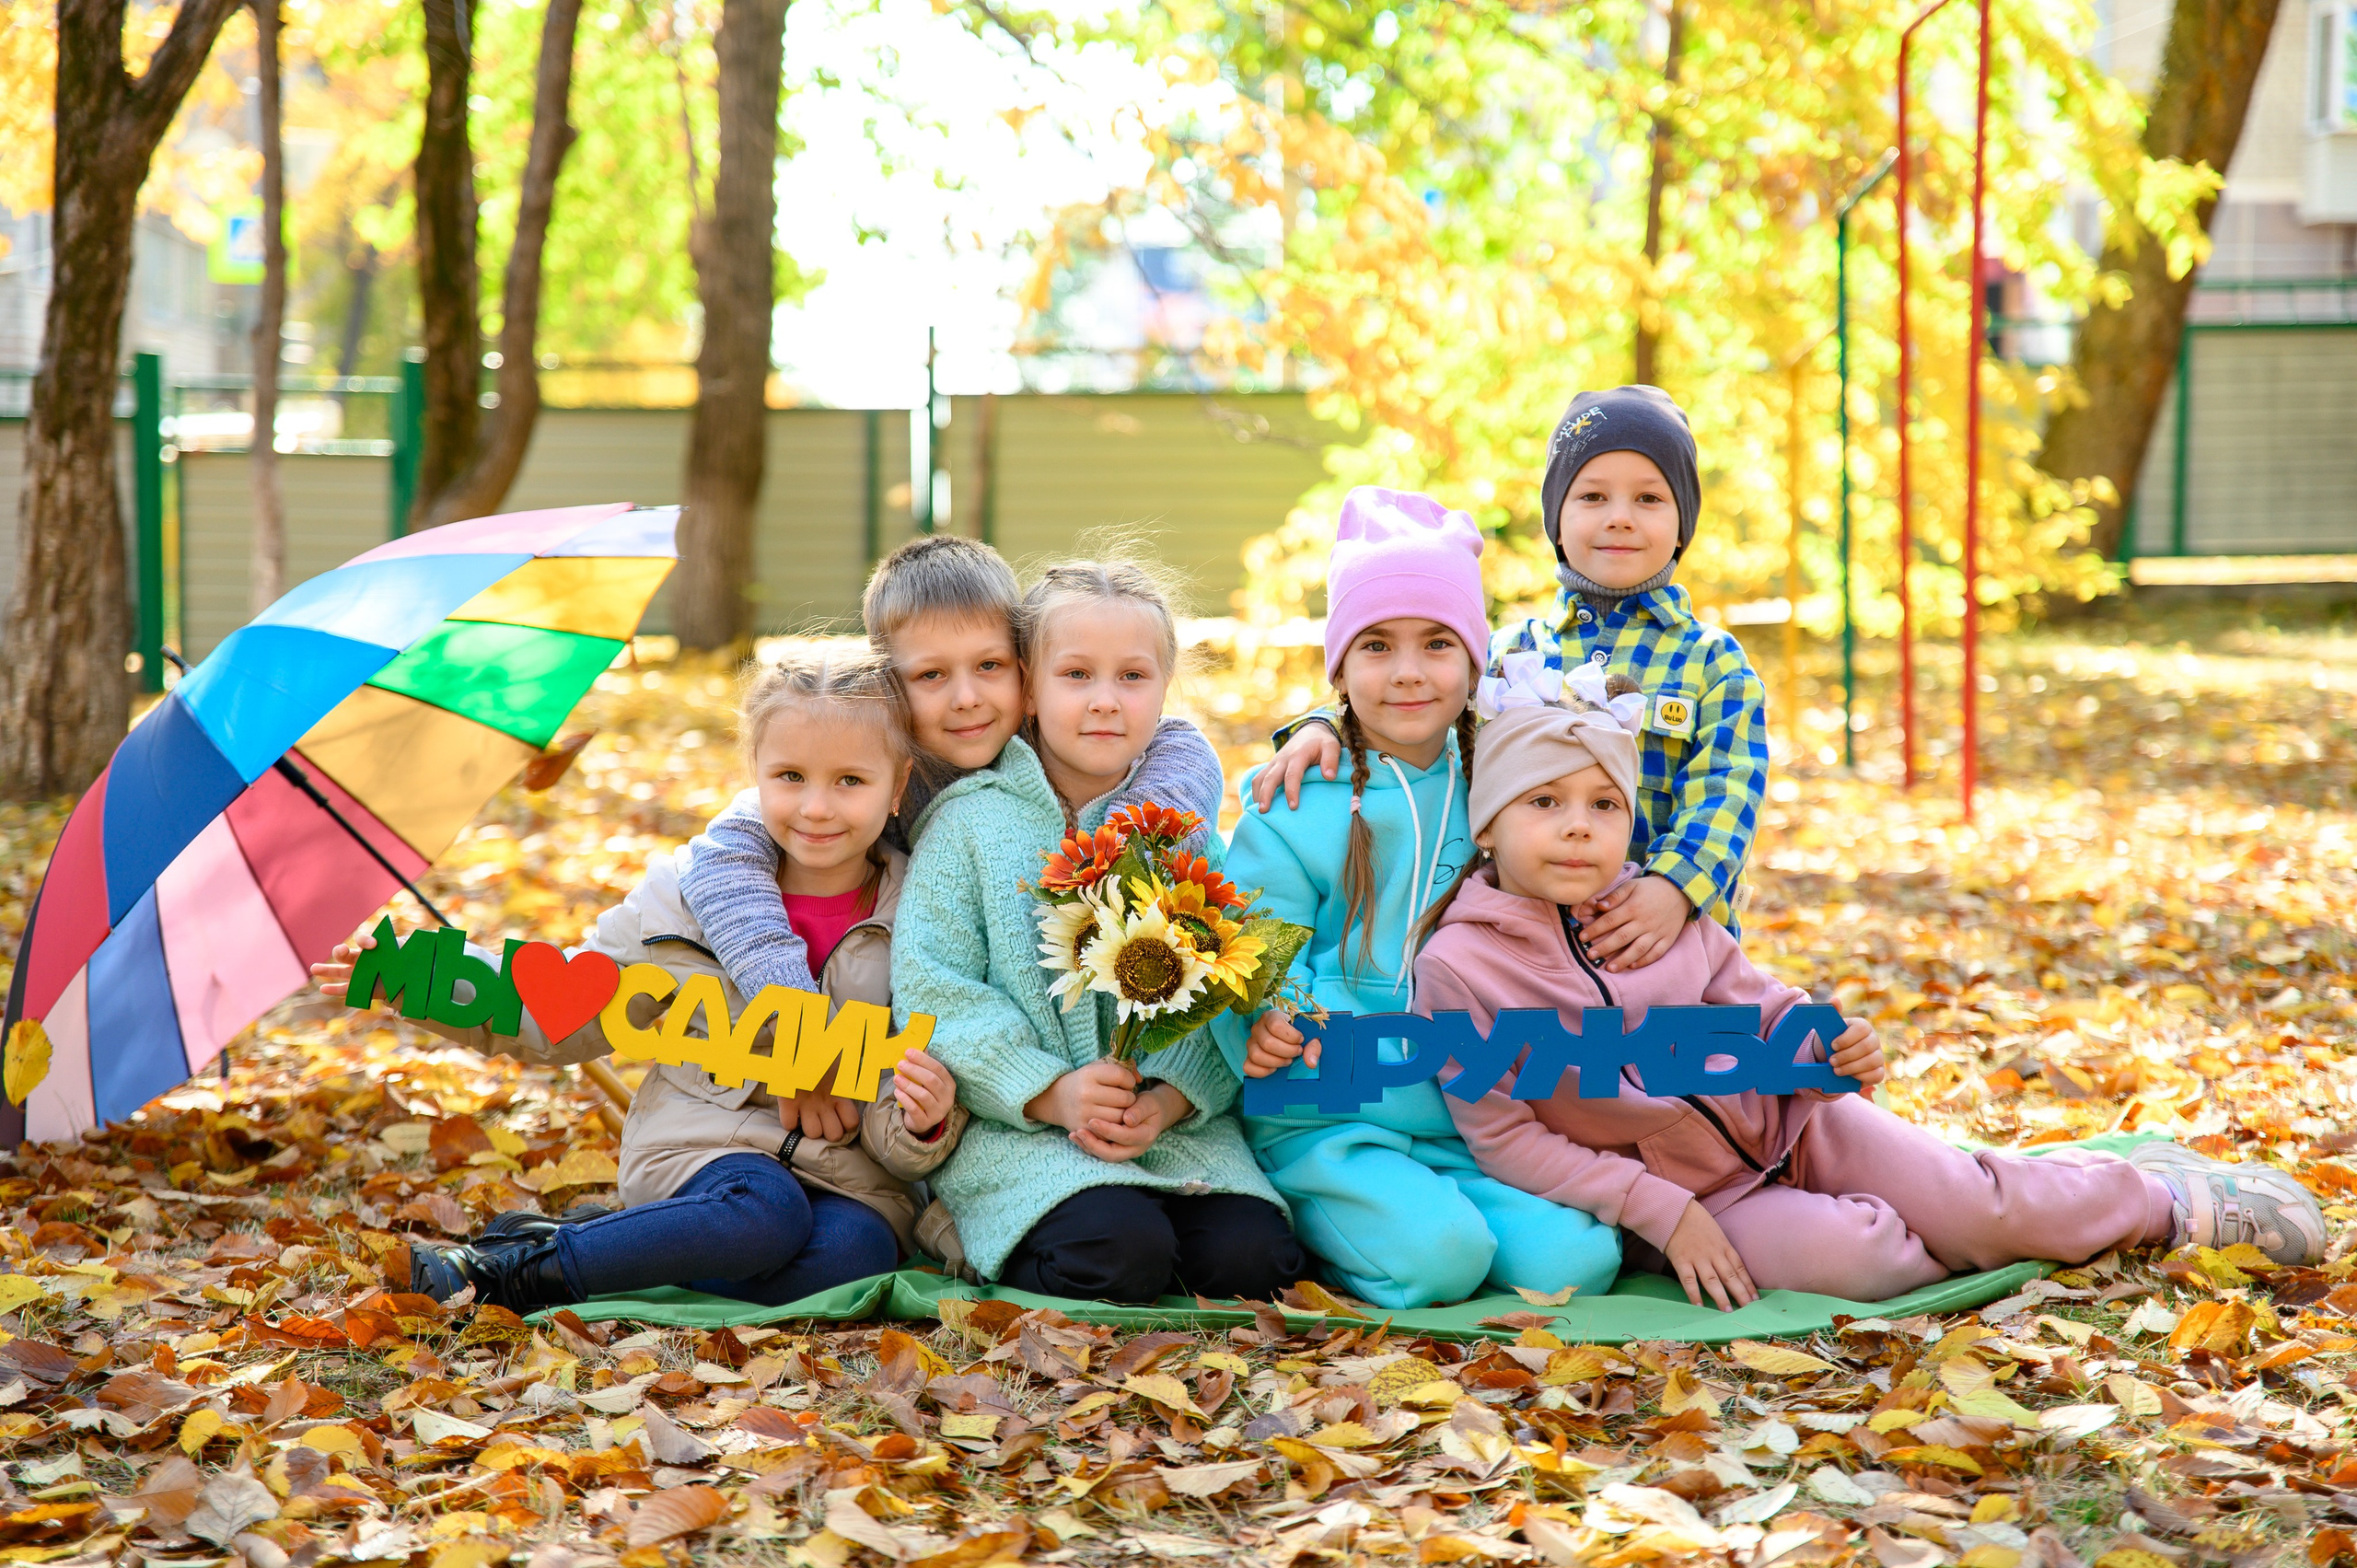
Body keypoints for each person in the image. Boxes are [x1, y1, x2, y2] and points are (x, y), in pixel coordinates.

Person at [1412, 680, 2327, 1309]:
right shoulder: (1461, 967)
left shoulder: (1652, 908)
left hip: (1800, 1122)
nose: (1578, 826)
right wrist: (1661, 1210)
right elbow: (1508, 1137)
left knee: (1973, 1209)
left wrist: (1826, 1046)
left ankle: (2160, 1201)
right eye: (1544, 802)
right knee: (1861, 1258)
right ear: (1488, 820)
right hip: (1705, 1200)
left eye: (1603, 804)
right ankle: (2019, 1204)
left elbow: (1761, 1001)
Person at [312, 650, 969, 1311]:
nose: (816, 807)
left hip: (847, 1174)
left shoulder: (922, 920)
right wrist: (421, 979)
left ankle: (617, 1242)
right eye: (790, 776)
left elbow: (903, 1101)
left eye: (850, 780)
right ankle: (516, 1270)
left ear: (898, 785)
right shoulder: (680, 904)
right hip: (703, 1144)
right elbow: (561, 1006)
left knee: (856, 1255)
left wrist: (923, 1123)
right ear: (756, 771)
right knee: (765, 1211)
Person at [1217, 488, 1621, 1308]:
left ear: (1475, 660)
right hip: (1332, 1112)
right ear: (1339, 668)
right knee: (1442, 1260)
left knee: (1578, 1261)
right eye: (1376, 645)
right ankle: (1332, 1220)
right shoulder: (1296, 799)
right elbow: (1252, 938)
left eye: (1438, 642)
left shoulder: (1505, 783)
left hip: (1468, 1114)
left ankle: (1434, 1207)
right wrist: (1270, 1013)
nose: (1408, 671)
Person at [890, 559, 1306, 1304]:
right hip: (1022, 1136)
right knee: (1118, 1250)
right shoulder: (968, 826)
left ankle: (1162, 1215)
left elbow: (1229, 974)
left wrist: (1172, 1097)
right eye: (1077, 674)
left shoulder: (1176, 831)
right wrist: (1048, 1092)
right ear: (1029, 688)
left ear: (1164, 688)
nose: (1105, 700)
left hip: (1173, 1132)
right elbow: (936, 990)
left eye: (1132, 677)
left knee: (1254, 1261)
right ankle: (968, 1231)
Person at [1252, 386, 1769, 970]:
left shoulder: (1713, 662)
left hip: (1662, 946)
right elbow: (1420, 715)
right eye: (1592, 496)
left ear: (1682, 524)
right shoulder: (1513, 653)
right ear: (1556, 521)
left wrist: (1675, 888)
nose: (1620, 517)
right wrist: (1324, 725)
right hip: (1522, 954)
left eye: (1649, 498)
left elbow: (1730, 790)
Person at [679, 535, 1220, 1003]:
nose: (966, 698)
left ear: (1025, 667)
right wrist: (786, 999)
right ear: (889, 684)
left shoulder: (1053, 739)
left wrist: (1130, 848)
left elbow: (1178, 742)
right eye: (931, 675)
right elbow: (728, 852)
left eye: (989, 665)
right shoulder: (867, 770)